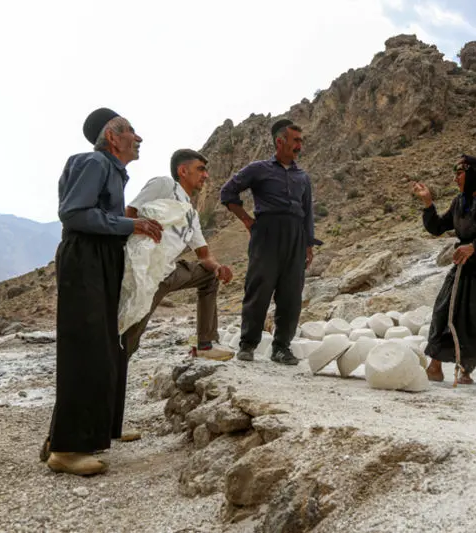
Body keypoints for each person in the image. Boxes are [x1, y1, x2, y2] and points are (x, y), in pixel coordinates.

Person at [44, 108, 163, 476]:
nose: (138, 138)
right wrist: (131, 224)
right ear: (113, 137)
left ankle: (80, 435)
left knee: (103, 347)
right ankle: (66, 450)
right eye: (131, 131)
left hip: (101, 260)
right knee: (86, 349)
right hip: (86, 260)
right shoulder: (93, 162)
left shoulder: (111, 171)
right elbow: (74, 213)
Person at [219, 119, 320, 365]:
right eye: (295, 140)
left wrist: (308, 245)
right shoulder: (258, 169)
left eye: (300, 141)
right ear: (280, 141)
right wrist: (246, 220)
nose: (299, 146)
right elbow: (227, 192)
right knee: (259, 288)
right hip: (266, 233)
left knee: (291, 294)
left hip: (295, 236)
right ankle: (247, 344)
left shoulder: (303, 177)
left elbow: (307, 212)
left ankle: (281, 347)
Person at [122, 149, 234, 360]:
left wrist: (218, 268)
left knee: (209, 276)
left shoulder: (191, 214)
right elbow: (131, 213)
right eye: (200, 169)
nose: (206, 175)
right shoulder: (164, 185)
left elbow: (204, 255)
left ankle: (205, 345)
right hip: (146, 273)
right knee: (129, 337)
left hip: (169, 272)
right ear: (183, 170)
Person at [411, 155, 476, 384]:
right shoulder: (459, 201)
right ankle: (435, 366)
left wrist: (475, 247)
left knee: (474, 318)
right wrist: (427, 203)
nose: (455, 179)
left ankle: (466, 370)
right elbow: (437, 227)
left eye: (459, 173)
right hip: (463, 265)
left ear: (473, 173)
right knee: (443, 310)